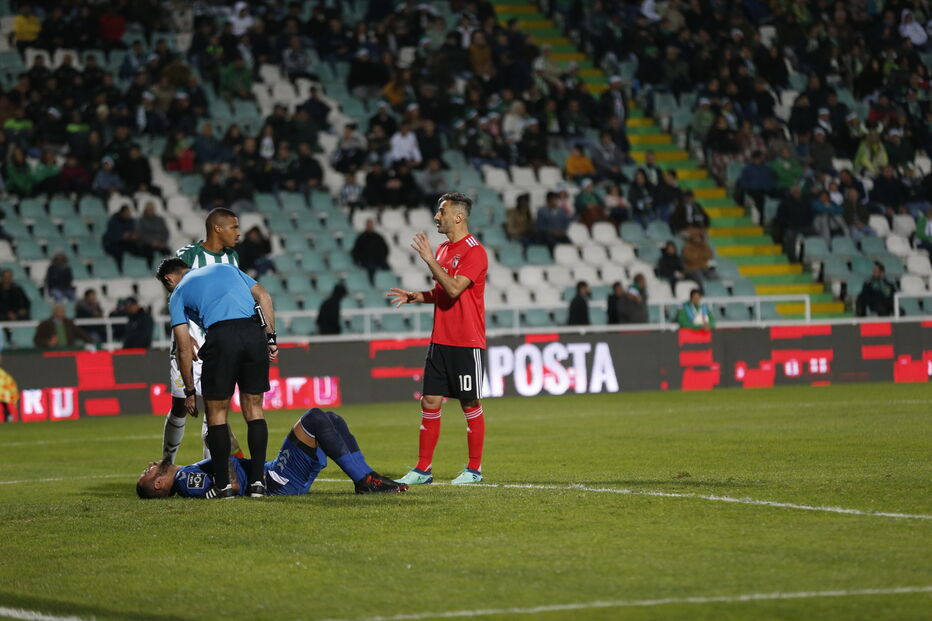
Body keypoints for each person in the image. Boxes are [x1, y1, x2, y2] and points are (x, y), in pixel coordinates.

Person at [387, 192, 488, 486]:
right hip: (440, 340)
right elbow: (444, 290)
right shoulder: (444, 250)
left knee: (469, 402)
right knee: (430, 401)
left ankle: (474, 470)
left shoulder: (475, 251)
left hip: (467, 341)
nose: (436, 216)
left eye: (441, 211)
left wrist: (429, 259)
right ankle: (423, 469)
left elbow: (456, 289)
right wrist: (418, 296)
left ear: (458, 216)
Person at [157, 257, 277, 499]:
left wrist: (189, 390)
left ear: (169, 279)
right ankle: (257, 484)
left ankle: (222, 485)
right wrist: (271, 338)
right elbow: (264, 296)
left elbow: (183, 347)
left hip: (221, 336)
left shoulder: (177, 293)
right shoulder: (227, 268)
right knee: (254, 410)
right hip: (253, 334)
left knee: (216, 413)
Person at [137, 408, 407, 498]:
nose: (148, 466)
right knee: (314, 418)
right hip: (276, 479)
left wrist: (226, 445)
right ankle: (364, 480)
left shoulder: (189, 472)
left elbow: (235, 464)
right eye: (146, 474)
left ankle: (366, 478)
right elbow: (229, 482)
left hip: (272, 474)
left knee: (330, 418)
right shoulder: (185, 479)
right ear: (159, 485)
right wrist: (223, 456)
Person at [162, 208, 241, 466]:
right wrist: (183, 331)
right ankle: (167, 462)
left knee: (214, 408)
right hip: (189, 339)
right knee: (179, 406)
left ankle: (212, 469)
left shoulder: (233, 259)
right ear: (217, 228)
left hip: (218, 342)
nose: (239, 234)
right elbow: (176, 291)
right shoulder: (189, 255)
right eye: (234, 227)